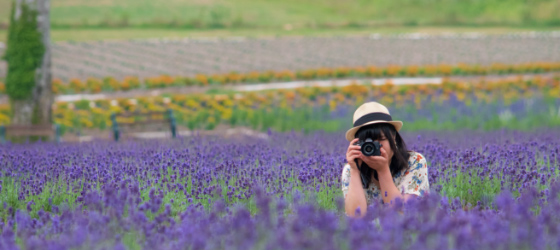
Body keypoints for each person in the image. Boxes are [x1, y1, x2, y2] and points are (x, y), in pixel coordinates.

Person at [341, 101, 430, 217]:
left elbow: (403, 212)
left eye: (380, 139)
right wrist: (355, 170)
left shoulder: (415, 162)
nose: (374, 146)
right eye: (367, 143)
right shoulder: (350, 170)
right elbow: (354, 217)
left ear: (393, 137)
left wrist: (382, 170)